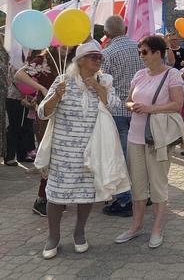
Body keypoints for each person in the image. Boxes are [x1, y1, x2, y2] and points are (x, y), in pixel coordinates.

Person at [36, 40, 127, 259]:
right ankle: (53, 237)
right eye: (94, 57)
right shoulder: (63, 80)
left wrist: (97, 87)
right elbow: (42, 112)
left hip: (91, 151)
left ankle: (79, 232)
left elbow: (115, 105)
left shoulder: (104, 81)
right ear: (80, 60)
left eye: (100, 57)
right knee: (57, 196)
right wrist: (57, 95)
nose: (98, 60)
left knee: (86, 195)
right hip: (63, 152)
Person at [115, 35, 184, 249]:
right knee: (137, 184)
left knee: (157, 184)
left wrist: (150, 109)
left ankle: (157, 228)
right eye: (140, 52)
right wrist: (131, 106)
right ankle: (135, 226)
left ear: (157, 53)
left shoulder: (172, 74)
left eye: (144, 52)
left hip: (158, 138)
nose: (141, 56)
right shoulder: (139, 75)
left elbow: (177, 104)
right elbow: (128, 99)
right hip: (135, 136)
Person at [13, 46, 74, 216]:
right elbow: (19, 74)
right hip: (46, 114)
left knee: (61, 156)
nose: (64, 47)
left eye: (67, 44)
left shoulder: (73, 60)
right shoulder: (43, 59)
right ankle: (42, 199)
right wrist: (40, 88)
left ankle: (56, 197)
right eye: (61, 43)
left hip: (66, 116)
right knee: (48, 154)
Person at [100, 15, 144, 218]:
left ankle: (125, 199)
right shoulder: (141, 48)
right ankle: (144, 193)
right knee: (139, 154)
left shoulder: (106, 53)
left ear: (107, 34)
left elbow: (102, 84)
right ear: (125, 29)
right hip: (139, 108)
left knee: (120, 156)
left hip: (117, 111)